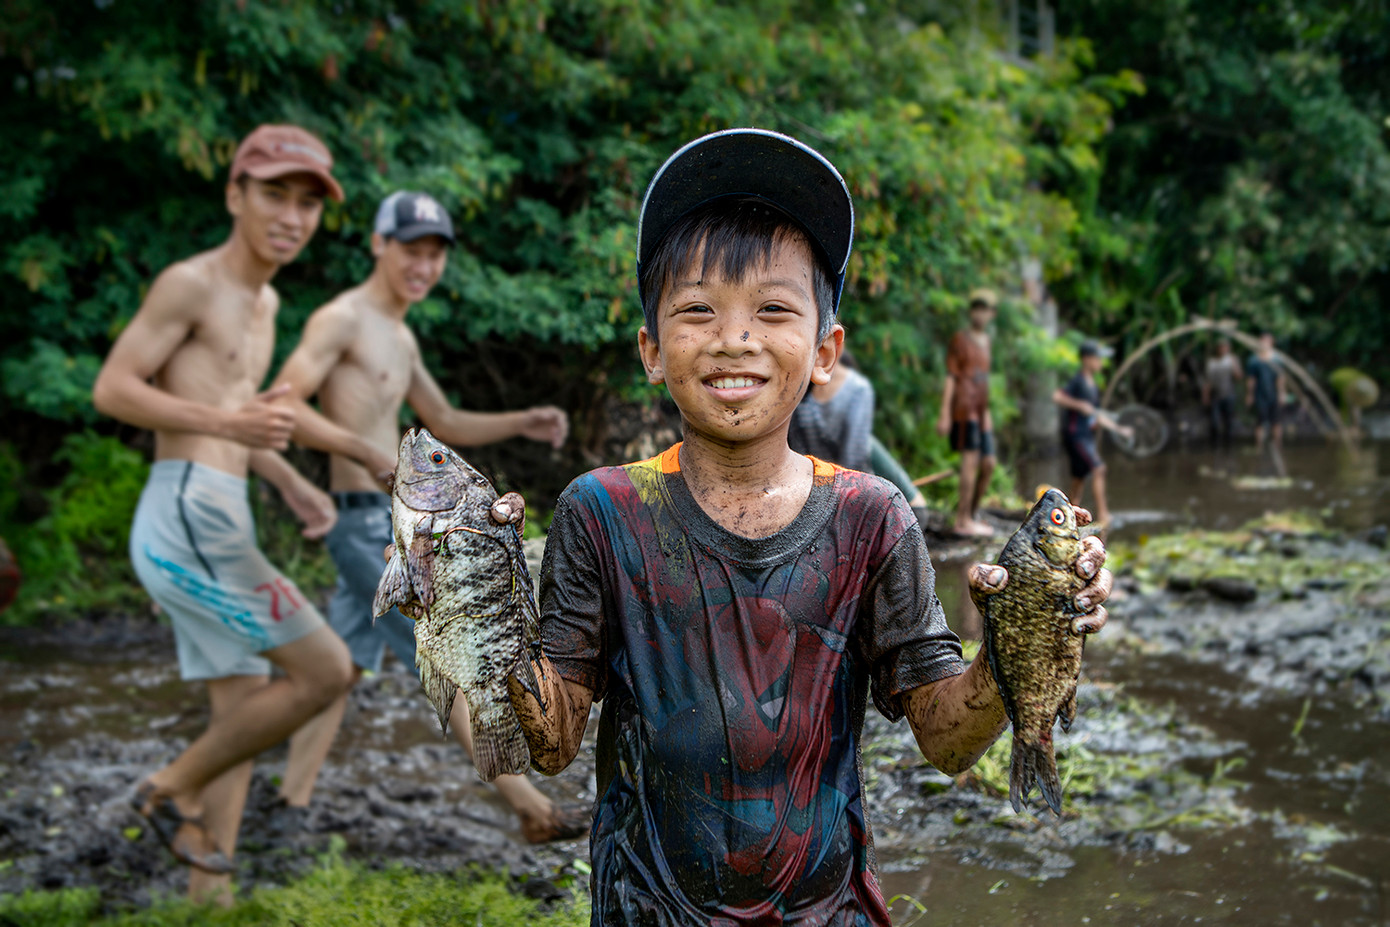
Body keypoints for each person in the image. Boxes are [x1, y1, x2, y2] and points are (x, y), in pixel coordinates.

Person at [493, 128, 1113, 924]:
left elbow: (947, 741)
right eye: (697, 309)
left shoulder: (871, 515)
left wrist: (1016, 641)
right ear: (652, 349)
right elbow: (552, 742)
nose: (735, 337)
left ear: (825, 351)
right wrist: (476, 602)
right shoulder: (603, 511)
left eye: (774, 309)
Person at [265, 190, 586, 843]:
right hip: (369, 525)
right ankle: (533, 809)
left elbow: (445, 421)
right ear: (378, 244)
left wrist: (523, 421)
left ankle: (289, 804)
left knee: (341, 666)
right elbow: (283, 403)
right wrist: (364, 451)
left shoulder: (400, 335)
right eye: (411, 249)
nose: (424, 265)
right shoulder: (340, 319)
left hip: (387, 521)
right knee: (448, 649)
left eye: (435, 253)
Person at [91, 124, 355, 905]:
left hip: (222, 509)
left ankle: (209, 896)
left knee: (241, 707)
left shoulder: (265, 300)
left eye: (308, 202)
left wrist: (286, 479)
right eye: (275, 194)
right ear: (235, 194)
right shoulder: (190, 283)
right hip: (187, 510)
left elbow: (238, 414)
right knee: (325, 669)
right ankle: (167, 788)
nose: (292, 216)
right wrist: (231, 427)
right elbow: (114, 388)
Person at [787, 350, 931, 525]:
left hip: (901, 508)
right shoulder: (803, 401)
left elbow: (854, 465)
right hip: (838, 492)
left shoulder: (856, 394)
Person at [1051, 339, 1133, 529]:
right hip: (1076, 435)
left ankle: (1067, 519)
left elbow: (1096, 415)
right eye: (1097, 358)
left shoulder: (1093, 386)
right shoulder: (1078, 381)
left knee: (1078, 479)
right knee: (1099, 469)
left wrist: (1119, 429)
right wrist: (1079, 405)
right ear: (1086, 359)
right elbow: (1057, 396)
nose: (1100, 362)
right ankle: (1104, 516)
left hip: (1085, 435)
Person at [936, 288, 998, 537]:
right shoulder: (961, 340)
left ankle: (971, 514)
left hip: (981, 410)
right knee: (970, 462)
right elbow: (951, 376)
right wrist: (945, 413)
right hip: (963, 407)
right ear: (971, 312)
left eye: (985, 310)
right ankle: (962, 521)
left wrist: (987, 414)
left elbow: (984, 380)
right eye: (976, 309)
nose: (980, 314)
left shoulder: (987, 342)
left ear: (992, 314)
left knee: (989, 463)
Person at [1245, 332, 1285, 452]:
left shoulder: (1277, 359)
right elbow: (1251, 379)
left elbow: (1280, 378)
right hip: (1260, 395)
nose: (1265, 343)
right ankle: (1259, 447)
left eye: (1268, 341)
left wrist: (1281, 394)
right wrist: (1250, 395)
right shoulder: (1254, 360)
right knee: (1260, 422)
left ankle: (1278, 446)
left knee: (1276, 422)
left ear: (1272, 343)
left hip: (1274, 394)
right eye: (1263, 341)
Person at [1202, 338, 1241, 446]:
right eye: (1221, 347)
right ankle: (1214, 445)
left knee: (1229, 422)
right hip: (1215, 396)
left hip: (1229, 395)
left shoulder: (1231, 360)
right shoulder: (1212, 362)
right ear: (1217, 348)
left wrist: (1234, 363)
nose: (1223, 349)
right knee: (1214, 422)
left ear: (1228, 348)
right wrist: (1205, 396)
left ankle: (1229, 445)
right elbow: (1208, 380)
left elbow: (1238, 377)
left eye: (1225, 347)